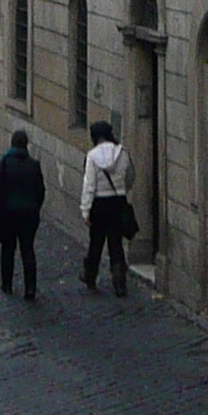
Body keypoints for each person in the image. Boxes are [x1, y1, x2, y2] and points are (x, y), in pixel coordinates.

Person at [80, 119, 136, 295]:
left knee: (96, 242)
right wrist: (122, 190)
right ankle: (119, 281)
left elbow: (89, 185)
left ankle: (90, 276)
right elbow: (130, 176)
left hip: (99, 203)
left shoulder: (92, 156)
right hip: (118, 201)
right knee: (116, 242)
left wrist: (85, 210)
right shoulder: (123, 153)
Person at [0, 129, 46, 298]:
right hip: (29, 214)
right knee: (27, 249)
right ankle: (30, 288)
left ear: (12, 144)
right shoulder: (34, 165)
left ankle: (7, 284)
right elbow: (41, 191)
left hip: (8, 214)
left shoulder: (3, 165)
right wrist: (35, 207)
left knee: (8, 249)